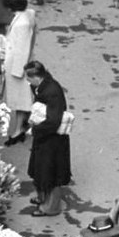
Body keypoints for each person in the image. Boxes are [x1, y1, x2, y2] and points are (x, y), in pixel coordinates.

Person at [24, 60, 71, 216]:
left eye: (29, 78)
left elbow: (54, 121)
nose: (27, 81)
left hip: (53, 140)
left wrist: (35, 129)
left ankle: (51, 207)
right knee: (41, 171)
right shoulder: (41, 86)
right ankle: (42, 196)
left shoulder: (52, 91)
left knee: (51, 173)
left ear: (36, 77)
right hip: (44, 136)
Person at [1, 0, 37, 145]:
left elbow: (22, 49)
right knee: (21, 98)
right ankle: (21, 125)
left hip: (18, 66)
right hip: (19, 63)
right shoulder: (28, 15)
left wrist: (17, 71)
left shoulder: (22, 23)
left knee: (19, 99)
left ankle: (19, 129)